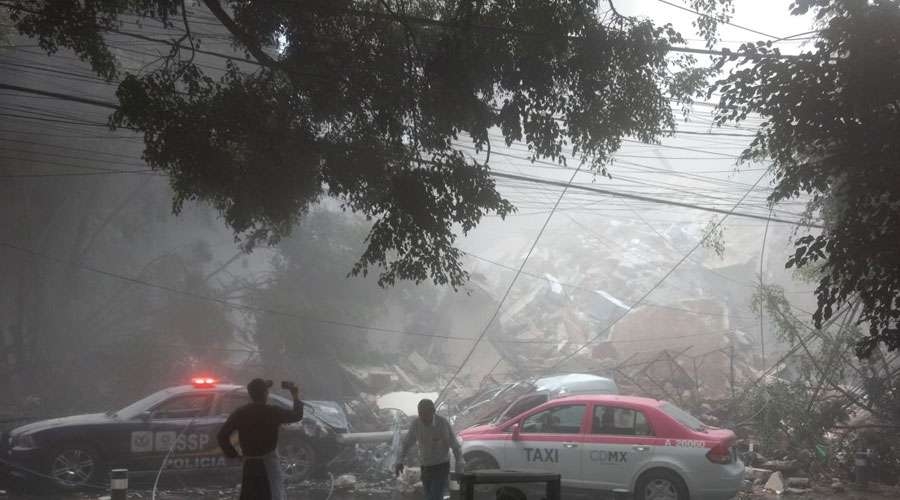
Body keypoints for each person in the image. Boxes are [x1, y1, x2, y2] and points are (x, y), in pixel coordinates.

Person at [217, 378, 303, 500]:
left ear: (250, 394)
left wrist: (234, 455)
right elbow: (297, 415)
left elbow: (222, 436)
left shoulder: (241, 413)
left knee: (250, 495)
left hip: (249, 464)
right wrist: (295, 395)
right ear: (266, 394)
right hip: (269, 465)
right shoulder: (272, 412)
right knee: (272, 494)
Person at [395, 399, 464, 500]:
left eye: (425, 413)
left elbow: (455, 446)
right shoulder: (416, 424)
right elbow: (406, 443)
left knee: (434, 497)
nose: (422, 417)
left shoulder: (442, 424)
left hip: (441, 466)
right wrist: (399, 460)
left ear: (433, 411)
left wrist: (459, 466)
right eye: (420, 413)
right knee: (428, 495)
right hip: (425, 467)